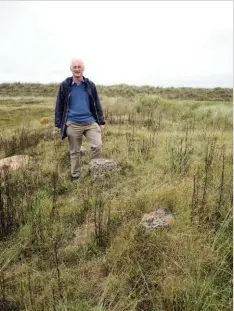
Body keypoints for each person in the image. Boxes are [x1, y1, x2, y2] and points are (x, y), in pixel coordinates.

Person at [55, 59, 105, 181]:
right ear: (71, 69)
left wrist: (101, 122)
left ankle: (94, 171)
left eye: (79, 67)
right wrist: (59, 124)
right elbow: (59, 105)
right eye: (74, 67)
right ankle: (76, 176)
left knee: (97, 145)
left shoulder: (90, 85)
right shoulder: (65, 85)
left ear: (83, 69)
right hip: (73, 123)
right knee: (74, 151)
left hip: (90, 122)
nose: (77, 69)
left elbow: (97, 103)